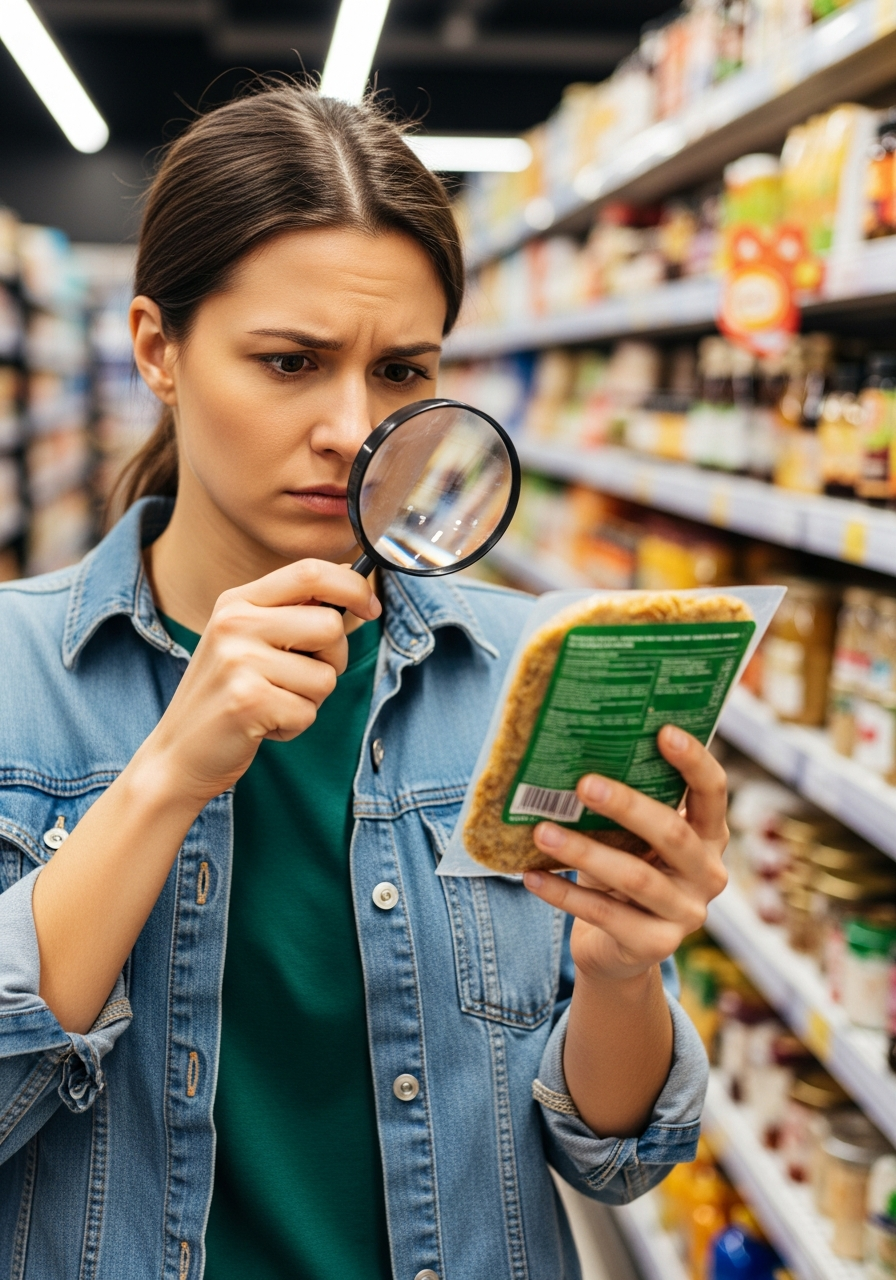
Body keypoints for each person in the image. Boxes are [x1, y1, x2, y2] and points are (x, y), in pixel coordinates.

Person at [0, 83, 727, 1280]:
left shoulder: (522, 676)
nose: (353, 427)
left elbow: (612, 1160)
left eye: (400, 372)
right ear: (155, 350)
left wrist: (619, 968)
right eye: (290, 361)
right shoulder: (24, 676)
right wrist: (169, 773)